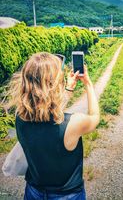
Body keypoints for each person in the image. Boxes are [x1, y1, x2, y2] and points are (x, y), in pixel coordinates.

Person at [2, 52, 100, 200]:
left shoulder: (20, 117)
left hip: (34, 192)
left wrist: (68, 90)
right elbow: (94, 116)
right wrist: (88, 83)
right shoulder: (72, 124)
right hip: (68, 195)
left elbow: (45, 112)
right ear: (55, 86)